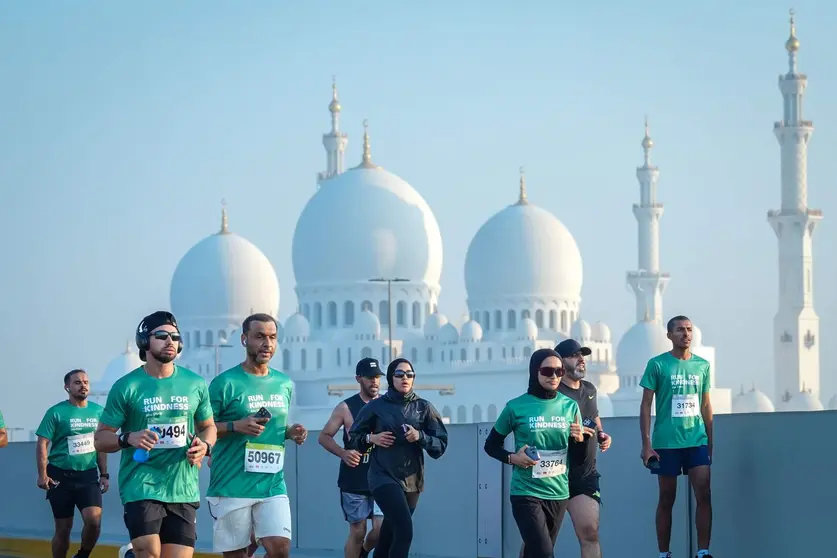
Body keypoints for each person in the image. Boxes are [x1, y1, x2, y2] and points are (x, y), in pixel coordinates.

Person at [94, 310, 217, 558]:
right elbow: (100, 438)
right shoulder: (127, 386)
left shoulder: (195, 383)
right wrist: (126, 438)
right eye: (161, 335)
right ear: (144, 342)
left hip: (183, 486)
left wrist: (205, 446)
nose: (169, 341)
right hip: (142, 484)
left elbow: (209, 426)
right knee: (149, 552)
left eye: (175, 336)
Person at [206, 313, 308, 558]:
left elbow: (272, 430)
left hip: (272, 484)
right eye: (259, 336)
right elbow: (203, 427)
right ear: (244, 339)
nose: (267, 343)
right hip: (232, 483)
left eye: (272, 337)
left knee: (280, 548)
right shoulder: (224, 383)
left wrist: (289, 433)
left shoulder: (284, 383)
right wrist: (236, 426)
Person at [483, 348, 584, 558]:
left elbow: (577, 458)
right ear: (535, 372)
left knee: (534, 554)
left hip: (558, 493)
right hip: (526, 493)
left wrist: (580, 441)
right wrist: (513, 458)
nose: (554, 376)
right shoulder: (515, 407)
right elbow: (491, 445)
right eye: (547, 371)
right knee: (545, 554)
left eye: (559, 371)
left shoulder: (570, 407)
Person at [346, 358, 448, 558]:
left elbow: (441, 444)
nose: (405, 378)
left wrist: (420, 436)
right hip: (382, 476)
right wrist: (372, 438)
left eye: (409, 375)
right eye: (399, 374)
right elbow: (354, 438)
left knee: (389, 533)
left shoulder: (423, 407)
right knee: (404, 530)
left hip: (412, 479)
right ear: (391, 378)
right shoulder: (376, 407)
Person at [639, 315, 713, 558]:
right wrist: (646, 444)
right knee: (667, 497)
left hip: (696, 440)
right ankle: (664, 553)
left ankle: (703, 551)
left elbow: (706, 404)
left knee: (703, 492)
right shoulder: (657, 364)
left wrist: (710, 440)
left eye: (689, 329)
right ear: (669, 335)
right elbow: (646, 404)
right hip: (666, 443)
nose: (686, 334)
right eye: (680, 330)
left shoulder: (702, 365)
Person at [36, 369, 109, 558]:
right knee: (63, 529)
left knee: (94, 521)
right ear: (67, 387)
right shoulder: (56, 412)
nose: (83, 385)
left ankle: (83, 554)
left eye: (85, 382)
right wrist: (42, 474)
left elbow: (101, 445)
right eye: (77, 382)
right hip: (60, 476)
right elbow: (42, 443)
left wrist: (104, 474)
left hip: (87, 475)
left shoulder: (98, 412)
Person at [318, 357, 385, 558]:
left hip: (382, 476)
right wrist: (343, 453)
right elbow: (324, 436)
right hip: (354, 478)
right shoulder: (345, 408)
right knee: (358, 531)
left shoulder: (386, 404)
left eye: (377, 377)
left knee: (382, 529)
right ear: (358, 379)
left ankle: (364, 551)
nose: (374, 381)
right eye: (369, 377)